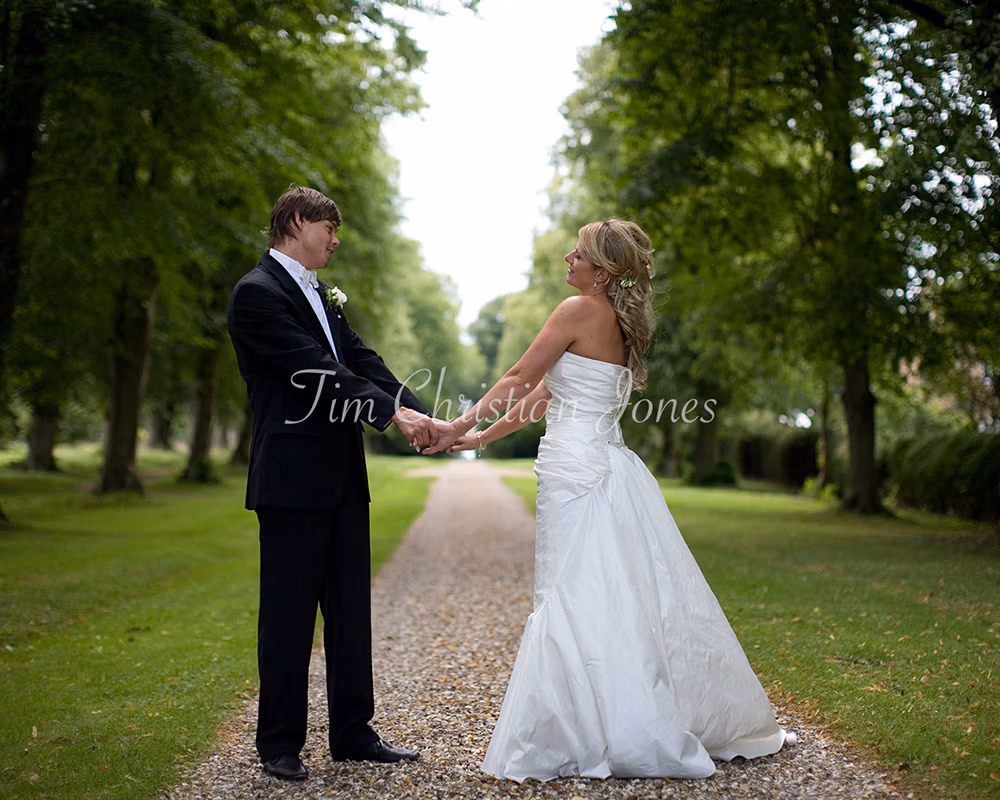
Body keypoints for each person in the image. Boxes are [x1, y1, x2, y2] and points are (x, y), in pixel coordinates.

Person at [426, 219, 795, 781]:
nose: (568, 259)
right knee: (602, 591)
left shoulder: (575, 311)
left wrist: (453, 425)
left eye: (578, 254)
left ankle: (584, 730)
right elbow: (546, 395)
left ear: (601, 273)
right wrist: (478, 439)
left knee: (574, 593)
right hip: (599, 464)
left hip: (577, 473)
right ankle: (604, 720)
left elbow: (521, 377)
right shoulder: (618, 324)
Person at [227, 185, 437, 781]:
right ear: (297, 222)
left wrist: (423, 416)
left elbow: (362, 361)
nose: (336, 239)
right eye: (329, 227)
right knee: (289, 615)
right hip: (292, 479)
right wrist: (392, 416)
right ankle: (280, 744)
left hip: (344, 476)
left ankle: (351, 732)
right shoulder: (256, 294)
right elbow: (315, 371)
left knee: (350, 611)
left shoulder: (322, 295)